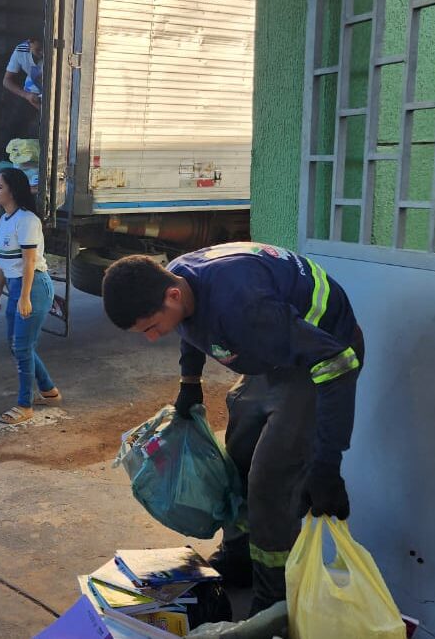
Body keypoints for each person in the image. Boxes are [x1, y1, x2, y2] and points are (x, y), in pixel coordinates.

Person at [101, 243, 364, 614]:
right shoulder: (178, 279)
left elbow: (340, 363)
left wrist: (327, 465)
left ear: (172, 295)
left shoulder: (243, 308)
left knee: (269, 482)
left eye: (152, 327)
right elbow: (189, 328)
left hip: (320, 356)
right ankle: (240, 556)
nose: (152, 337)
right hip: (271, 354)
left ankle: (274, 598)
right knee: (237, 457)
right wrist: (189, 381)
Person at [0, 168, 61, 425]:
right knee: (17, 345)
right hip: (16, 286)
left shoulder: (28, 220)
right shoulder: (5, 219)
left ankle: (24, 405)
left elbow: (29, 261)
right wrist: (0, 288)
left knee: (21, 347)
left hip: (33, 287)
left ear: (13, 190)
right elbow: (3, 259)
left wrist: (24, 297)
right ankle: (49, 391)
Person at [2, 33, 44, 141]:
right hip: (33, 89)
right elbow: (6, 81)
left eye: (44, 49)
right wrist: (27, 95)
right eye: (38, 50)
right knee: (14, 128)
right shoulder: (20, 50)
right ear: (30, 43)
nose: (41, 54)